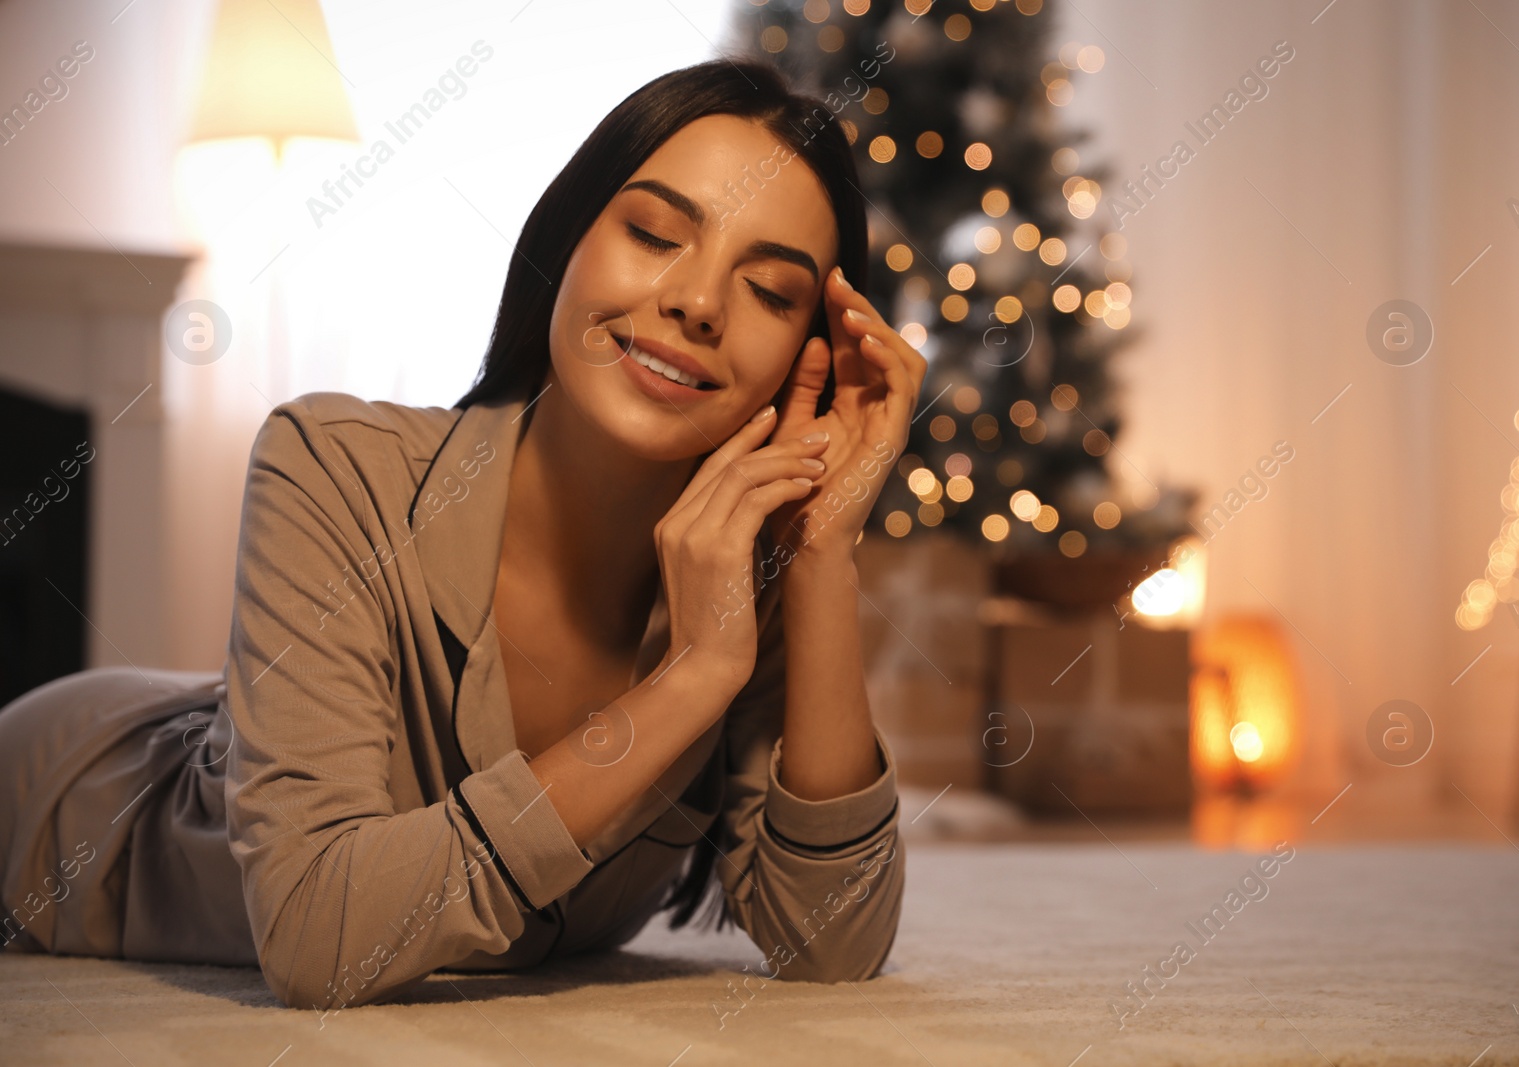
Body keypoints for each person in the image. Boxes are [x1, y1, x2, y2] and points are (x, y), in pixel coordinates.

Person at [0, 55, 926, 1014]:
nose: (697, 302)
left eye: (771, 292)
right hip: (58, 789)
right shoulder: (331, 461)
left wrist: (821, 549)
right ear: (565, 242)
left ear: (808, 356)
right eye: (654, 234)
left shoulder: (754, 569)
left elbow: (834, 944)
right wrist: (690, 678)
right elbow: (320, 939)